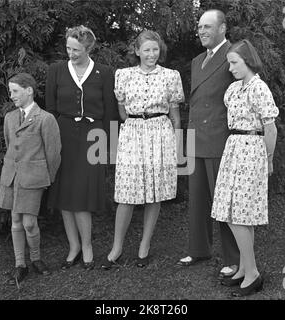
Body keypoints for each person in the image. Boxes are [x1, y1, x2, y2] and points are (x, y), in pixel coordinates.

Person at [101, 30, 184, 269]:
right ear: (137, 51)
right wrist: (137, 124)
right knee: (127, 192)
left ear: (161, 51)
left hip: (161, 134)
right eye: (146, 49)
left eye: (155, 49)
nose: (151, 54)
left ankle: (144, 246)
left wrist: (177, 148)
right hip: (132, 133)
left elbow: (175, 116)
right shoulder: (123, 75)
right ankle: (116, 248)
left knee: (154, 193)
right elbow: (122, 112)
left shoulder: (171, 76)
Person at [45, 25, 118, 270]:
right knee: (65, 195)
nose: (71, 53)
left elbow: (109, 112)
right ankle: (73, 246)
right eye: (68, 48)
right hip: (63, 135)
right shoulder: (55, 70)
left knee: (83, 195)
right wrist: (51, 143)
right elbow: (51, 110)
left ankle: (87, 246)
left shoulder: (104, 72)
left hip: (93, 137)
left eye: (76, 49)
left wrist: (110, 146)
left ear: (88, 48)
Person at [211, 39, 279, 296]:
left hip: (251, 150)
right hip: (234, 149)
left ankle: (252, 273)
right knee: (230, 212)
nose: (230, 68)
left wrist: (268, 159)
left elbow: (270, 127)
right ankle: (243, 267)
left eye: (234, 63)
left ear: (248, 61)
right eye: (229, 63)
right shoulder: (234, 90)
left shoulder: (259, 89)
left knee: (240, 214)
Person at [177, 9, 240, 279]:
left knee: (224, 202)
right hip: (196, 138)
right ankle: (199, 249)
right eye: (200, 27)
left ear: (223, 28)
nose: (201, 31)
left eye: (207, 27)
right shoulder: (196, 60)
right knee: (198, 199)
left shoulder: (234, 57)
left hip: (220, 138)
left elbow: (242, 95)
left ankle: (234, 259)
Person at [0, 72, 61, 285]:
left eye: (15, 91)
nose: (11, 95)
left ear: (29, 90)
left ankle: (36, 258)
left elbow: (53, 153)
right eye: (10, 91)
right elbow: (10, 146)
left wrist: (45, 179)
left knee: (29, 223)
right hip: (12, 177)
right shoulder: (9, 118)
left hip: (33, 179)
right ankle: (20, 264)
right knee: (15, 221)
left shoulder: (45, 119)